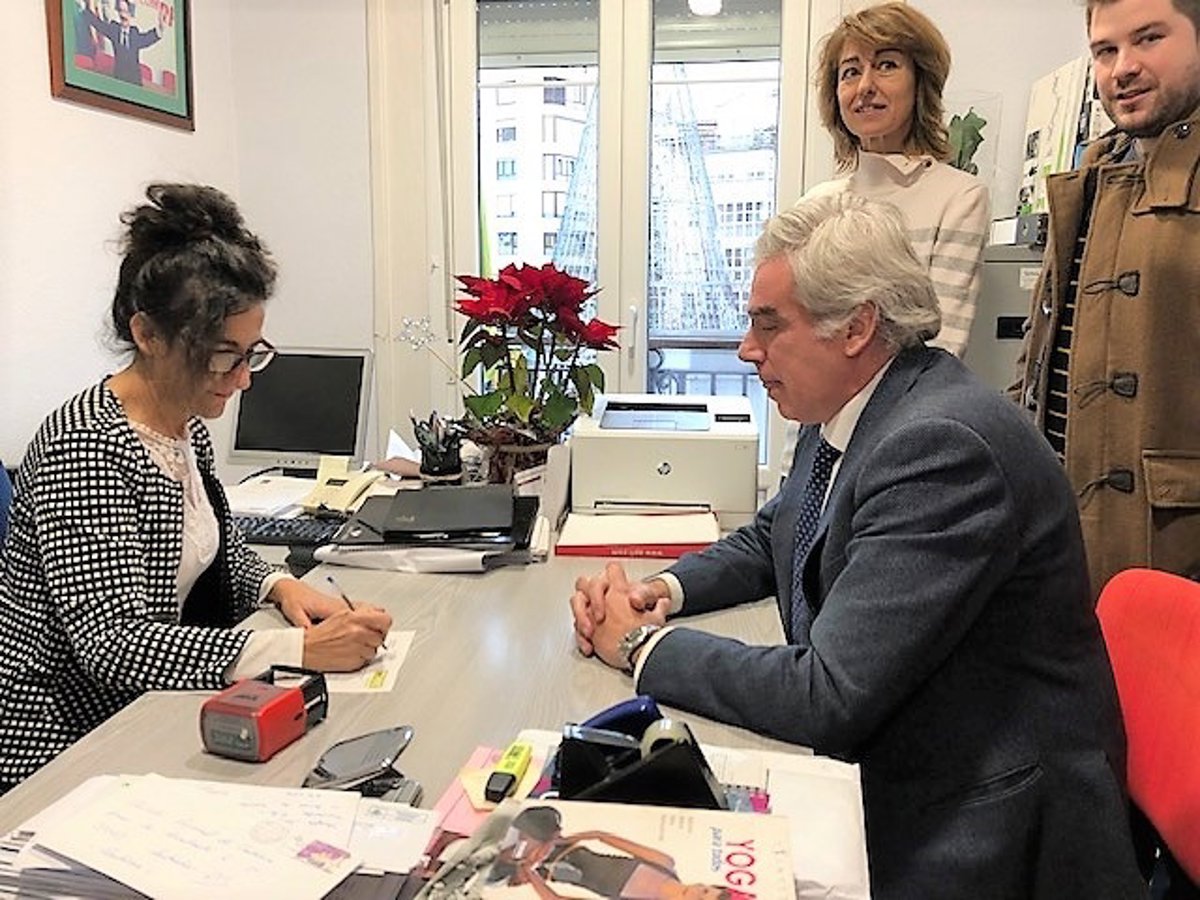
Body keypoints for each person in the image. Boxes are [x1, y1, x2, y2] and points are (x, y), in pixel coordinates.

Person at [570, 193, 1142, 899]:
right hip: (916, 762)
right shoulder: (857, 405)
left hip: (990, 820)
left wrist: (639, 646)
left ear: (856, 326)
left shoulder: (940, 448)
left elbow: (829, 693)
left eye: (769, 324)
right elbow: (775, 535)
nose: (747, 349)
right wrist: (658, 592)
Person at [0, 183, 392, 792]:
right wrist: (295, 652)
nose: (242, 379)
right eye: (221, 355)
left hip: (148, 708)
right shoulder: (84, 444)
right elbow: (111, 643)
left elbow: (220, 549)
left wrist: (279, 585)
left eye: (251, 353)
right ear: (148, 335)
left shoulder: (184, 428)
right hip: (61, 744)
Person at [1010, 0, 1200, 600]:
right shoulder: (1095, 171)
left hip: (1174, 554)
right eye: (1105, 50)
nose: (1124, 67)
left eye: (1149, 39)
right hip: (1062, 541)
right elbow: (1040, 348)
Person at [781, 2, 990, 478]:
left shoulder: (958, 196)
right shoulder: (817, 204)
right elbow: (799, 343)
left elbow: (939, 348)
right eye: (850, 71)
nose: (865, 86)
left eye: (887, 65)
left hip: (901, 443)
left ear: (921, 81)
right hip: (813, 438)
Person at [82, 0, 166, 85]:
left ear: (130, 14)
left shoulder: (134, 34)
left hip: (135, 82)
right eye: (120, 10)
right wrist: (86, 5)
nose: (123, 15)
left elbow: (148, 38)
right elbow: (98, 24)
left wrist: (161, 26)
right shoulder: (114, 29)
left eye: (125, 11)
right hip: (119, 80)